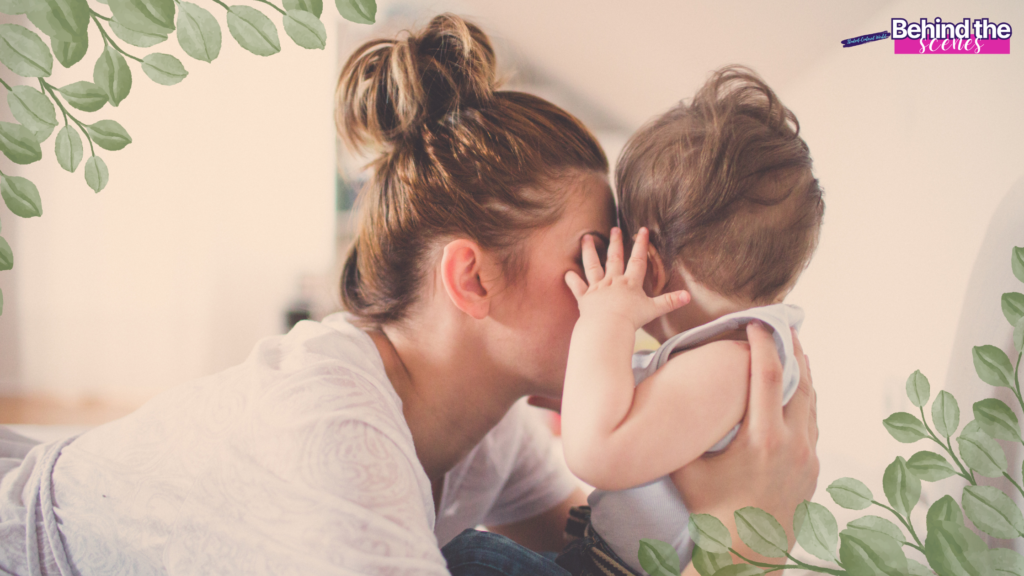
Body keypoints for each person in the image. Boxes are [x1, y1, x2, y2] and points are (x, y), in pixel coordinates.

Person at [0, 16, 819, 576]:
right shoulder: (334, 430)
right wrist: (753, 541)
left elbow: (590, 538)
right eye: (596, 256)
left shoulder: (483, 423)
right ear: (470, 279)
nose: (630, 290)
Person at [556, 67, 825, 575]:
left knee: (473, 557)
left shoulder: (730, 363)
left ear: (649, 269)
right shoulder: (739, 354)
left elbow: (594, 452)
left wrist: (604, 320)